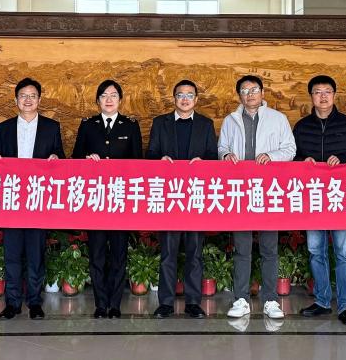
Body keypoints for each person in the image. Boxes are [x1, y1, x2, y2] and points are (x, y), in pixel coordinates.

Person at [292, 75, 346, 326]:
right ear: (311, 97)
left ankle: (345, 306)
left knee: (343, 252)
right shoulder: (302, 127)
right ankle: (323, 301)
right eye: (317, 92)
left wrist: (343, 159)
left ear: (334, 95)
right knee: (316, 251)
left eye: (327, 91)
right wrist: (302, 161)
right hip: (313, 197)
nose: (323, 96)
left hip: (340, 197)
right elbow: (291, 156)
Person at [218, 75, 296, 320]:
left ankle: (270, 300)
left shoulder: (278, 118)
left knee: (269, 248)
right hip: (241, 191)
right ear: (239, 95)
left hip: (268, 190)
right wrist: (226, 156)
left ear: (262, 92)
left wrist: (272, 156)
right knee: (241, 248)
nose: (249, 94)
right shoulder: (230, 120)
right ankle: (241, 299)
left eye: (254, 90)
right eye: (244, 90)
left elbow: (290, 149)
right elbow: (222, 148)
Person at [0, 78, 64, 320]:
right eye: (23, 95)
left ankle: (34, 302)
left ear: (39, 100)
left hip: (37, 201)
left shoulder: (51, 128)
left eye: (32, 95)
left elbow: (61, 158)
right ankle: (12, 303)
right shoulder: (3, 129)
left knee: (35, 255)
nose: (28, 100)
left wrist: (56, 158)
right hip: (12, 200)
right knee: (11, 255)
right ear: (16, 100)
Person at [146, 80, 218, 319]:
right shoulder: (161, 123)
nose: (185, 99)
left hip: (195, 196)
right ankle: (166, 303)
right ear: (174, 99)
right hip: (169, 196)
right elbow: (151, 154)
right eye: (180, 95)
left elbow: (213, 157)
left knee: (194, 252)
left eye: (189, 95)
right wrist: (160, 161)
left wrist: (204, 164)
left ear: (196, 99)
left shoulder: (206, 124)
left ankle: (193, 302)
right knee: (168, 252)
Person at [72, 79, 143, 319]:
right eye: (104, 95)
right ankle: (100, 304)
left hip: (120, 200)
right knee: (97, 254)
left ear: (120, 100)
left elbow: (138, 163)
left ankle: (115, 305)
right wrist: (86, 159)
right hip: (96, 200)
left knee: (119, 255)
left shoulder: (130, 126)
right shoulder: (88, 125)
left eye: (113, 95)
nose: (109, 99)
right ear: (98, 100)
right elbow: (75, 159)